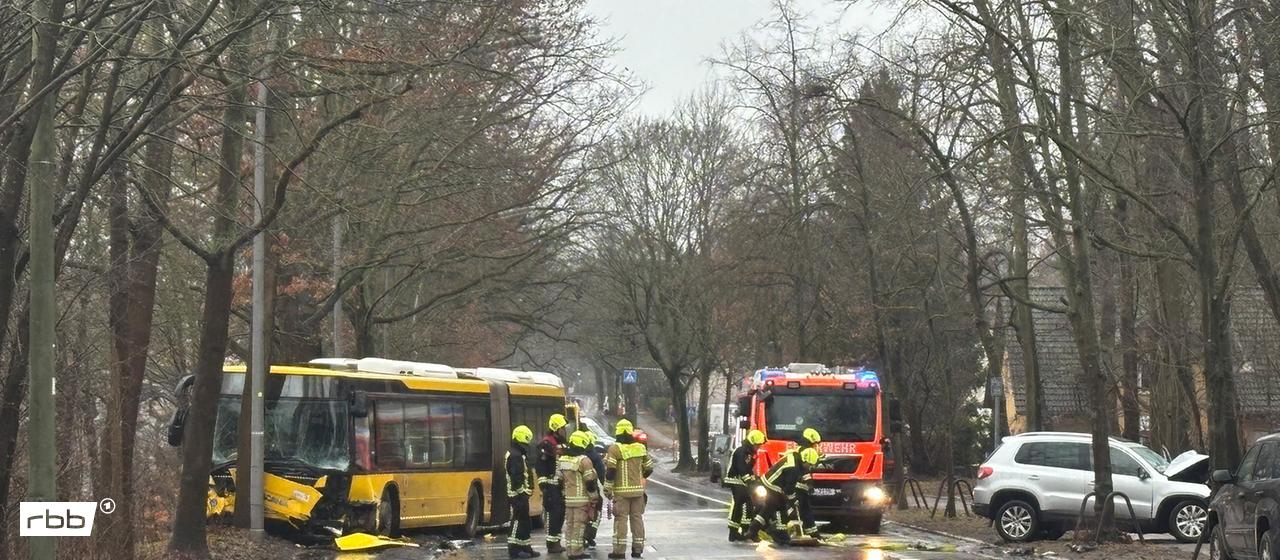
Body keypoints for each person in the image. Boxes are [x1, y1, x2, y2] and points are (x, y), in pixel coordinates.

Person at [746, 447, 819, 545]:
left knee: (768, 510)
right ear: (805, 460)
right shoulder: (794, 468)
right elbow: (788, 489)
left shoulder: (795, 457)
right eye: (809, 464)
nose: (810, 467)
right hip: (773, 485)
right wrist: (794, 500)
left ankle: (752, 531)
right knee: (781, 508)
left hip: (769, 481)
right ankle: (779, 533)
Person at [604, 419, 654, 559]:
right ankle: (637, 550)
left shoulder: (615, 449)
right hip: (638, 492)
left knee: (621, 520)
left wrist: (607, 488)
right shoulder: (640, 448)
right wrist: (640, 477)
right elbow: (649, 467)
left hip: (621, 493)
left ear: (618, 432)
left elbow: (611, 471)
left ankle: (619, 552)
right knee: (637, 519)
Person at [560, 431, 599, 560]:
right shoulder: (584, 461)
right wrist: (594, 497)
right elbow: (590, 482)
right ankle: (577, 552)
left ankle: (570, 551)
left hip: (568, 499)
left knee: (569, 525)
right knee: (579, 525)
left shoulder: (563, 459)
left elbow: (559, 479)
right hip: (581, 499)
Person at [506, 425, 541, 559]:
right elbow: (516, 478)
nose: (528, 444)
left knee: (525, 521)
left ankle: (526, 547)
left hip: (520, 494)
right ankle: (514, 549)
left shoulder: (518, 454)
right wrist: (523, 493)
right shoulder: (515, 456)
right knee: (518, 521)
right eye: (527, 440)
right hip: (516, 495)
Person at [537, 413, 569, 553]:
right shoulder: (546, 443)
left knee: (560, 513)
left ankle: (556, 541)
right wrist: (544, 487)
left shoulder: (562, 442)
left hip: (560, 486)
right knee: (553, 514)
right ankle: (551, 543)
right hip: (551, 486)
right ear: (556, 428)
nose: (564, 430)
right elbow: (541, 466)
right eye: (562, 428)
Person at [726, 430, 766, 541]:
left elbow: (748, 469)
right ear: (752, 442)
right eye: (757, 445)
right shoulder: (741, 451)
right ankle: (734, 532)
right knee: (741, 502)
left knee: (748, 504)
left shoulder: (749, 453)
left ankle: (743, 530)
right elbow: (741, 468)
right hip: (734, 479)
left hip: (741, 480)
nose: (758, 447)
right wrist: (749, 481)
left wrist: (755, 479)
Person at [576, 428, 606, 549]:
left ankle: (579, 538)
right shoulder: (594, 456)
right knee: (595, 512)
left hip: (577, 491)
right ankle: (589, 536)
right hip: (592, 488)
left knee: (579, 516)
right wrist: (607, 489)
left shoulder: (576, 455)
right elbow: (601, 473)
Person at [793, 428, 822, 538]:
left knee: (805, 509)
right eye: (814, 443)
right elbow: (804, 470)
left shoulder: (803, 450)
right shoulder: (805, 452)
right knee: (798, 509)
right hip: (798, 486)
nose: (816, 446)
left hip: (801, 485)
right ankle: (778, 530)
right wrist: (809, 483)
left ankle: (812, 532)